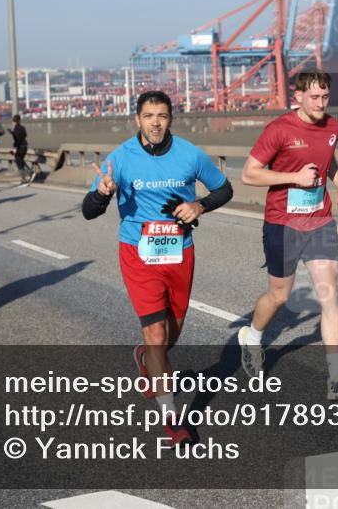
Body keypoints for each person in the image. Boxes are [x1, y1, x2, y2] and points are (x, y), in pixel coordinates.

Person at [82, 90, 233, 445]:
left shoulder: (189, 154)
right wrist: (102, 194)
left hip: (179, 252)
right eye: (148, 116)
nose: (155, 123)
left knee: (172, 334)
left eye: (162, 116)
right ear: (137, 119)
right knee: (155, 335)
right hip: (137, 252)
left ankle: (146, 358)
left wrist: (200, 206)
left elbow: (224, 189)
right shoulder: (120, 158)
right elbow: (88, 211)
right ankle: (171, 418)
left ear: (170, 120)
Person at [236, 71, 338, 401]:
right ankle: (252, 337)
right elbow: (249, 174)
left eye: (325, 97)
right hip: (283, 223)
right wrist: (294, 177)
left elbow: (326, 157)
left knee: (330, 295)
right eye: (314, 98)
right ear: (298, 97)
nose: (321, 104)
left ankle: (336, 379)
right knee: (279, 295)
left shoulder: (333, 127)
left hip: (320, 221)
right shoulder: (279, 129)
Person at [8, 114, 31, 185]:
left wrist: (15, 149)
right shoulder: (22, 127)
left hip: (19, 147)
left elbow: (17, 140)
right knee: (20, 160)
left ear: (14, 121)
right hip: (25, 146)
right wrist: (13, 133)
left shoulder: (15, 129)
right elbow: (24, 135)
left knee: (18, 161)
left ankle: (26, 176)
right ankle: (28, 172)